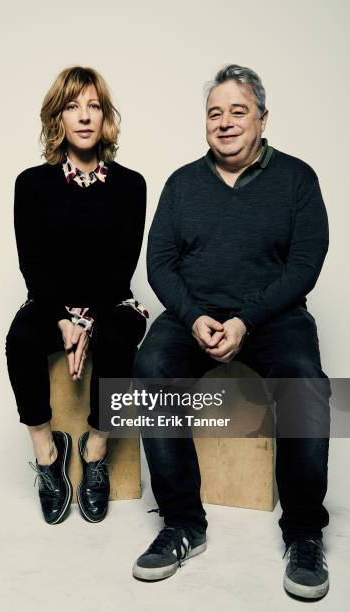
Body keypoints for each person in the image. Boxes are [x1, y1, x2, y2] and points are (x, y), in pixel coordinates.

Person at [132, 64, 330, 600]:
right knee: (150, 369)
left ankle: (305, 534)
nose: (224, 122)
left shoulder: (297, 179)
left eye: (237, 111)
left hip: (273, 317)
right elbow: (160, 264)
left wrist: (247, 320)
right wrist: (194, 316)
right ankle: (181, 524)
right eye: (214, 113)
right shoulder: (181, 184)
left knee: (305, 379)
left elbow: (305, 264)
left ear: (263, 119)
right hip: (192, 314)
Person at [5, 66, 147, 525]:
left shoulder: (131, 185)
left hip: (110, 303)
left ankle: (95, 449)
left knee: (121, 336)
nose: (84, 116)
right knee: (21, 336)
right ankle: (48, 456)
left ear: (105, 117)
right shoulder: (31, 184)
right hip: (51, 303)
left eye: (93, 106)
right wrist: (64, 318)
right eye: (72, 106)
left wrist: (91, 321)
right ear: (58, 118)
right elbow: (33, 264)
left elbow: (122, 265)